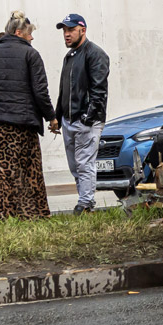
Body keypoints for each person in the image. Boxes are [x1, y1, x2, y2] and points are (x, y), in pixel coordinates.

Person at [0, 11, 54, 220]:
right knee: (27, 171)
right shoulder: (31, 55)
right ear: (18, 33)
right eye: (29, 34)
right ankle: (32, 213)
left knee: (0, 171)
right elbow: (40, 91)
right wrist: (51, 117)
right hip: (23, 124)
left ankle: (5, 214)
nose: (32, 38)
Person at [54, 13, 110, 213]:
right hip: (69, 119)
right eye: (64, 31)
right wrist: (56, 116)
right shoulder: (70, 56)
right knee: (75, 166)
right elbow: (64, 90)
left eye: (70, 30)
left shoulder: (95, 54)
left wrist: (89, 117)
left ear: (82, 30)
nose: (66, 34)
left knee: (85, 163)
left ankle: (86, 203)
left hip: (87, 120)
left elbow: (99, 90)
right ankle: (83, 199)